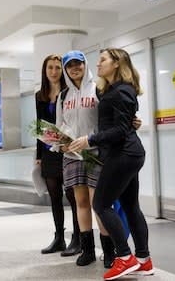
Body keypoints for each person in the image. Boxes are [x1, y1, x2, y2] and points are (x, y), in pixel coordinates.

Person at [70, 48, 151, 280]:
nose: (98, 64)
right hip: (128, 154)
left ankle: (125, 258)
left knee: (101, 204)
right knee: (131, 206)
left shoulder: (121, 91)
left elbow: (120, 129)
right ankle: (144, 260)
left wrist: (90, 139)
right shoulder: (113, 90)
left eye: (103, 60)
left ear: (117, 63)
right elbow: (124, 123)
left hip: (123, 155)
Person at [55, 50, 113, 267]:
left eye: (78, 63)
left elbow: (108, 120)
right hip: (72, 155)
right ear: (66, 69)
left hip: (96, 153)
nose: (75, 68)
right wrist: (59, 143)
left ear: (85, 64)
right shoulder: (63, 96)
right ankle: (87, 249)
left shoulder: (98, 88)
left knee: (98, 203)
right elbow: (60, 125)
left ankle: (108, 251)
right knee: (80, 202)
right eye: (70, 65)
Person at [35, 54, 81, 256]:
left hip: (68, 150)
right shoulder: (40, 95)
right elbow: (39, 126)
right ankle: (59, 238)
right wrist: (38, 155)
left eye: (57, 68)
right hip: (48, 152)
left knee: (73, 196)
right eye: (50, 68)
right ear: (45, 72)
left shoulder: (69, 92)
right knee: (55, 197)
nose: (54, 72)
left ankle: (79, 238)